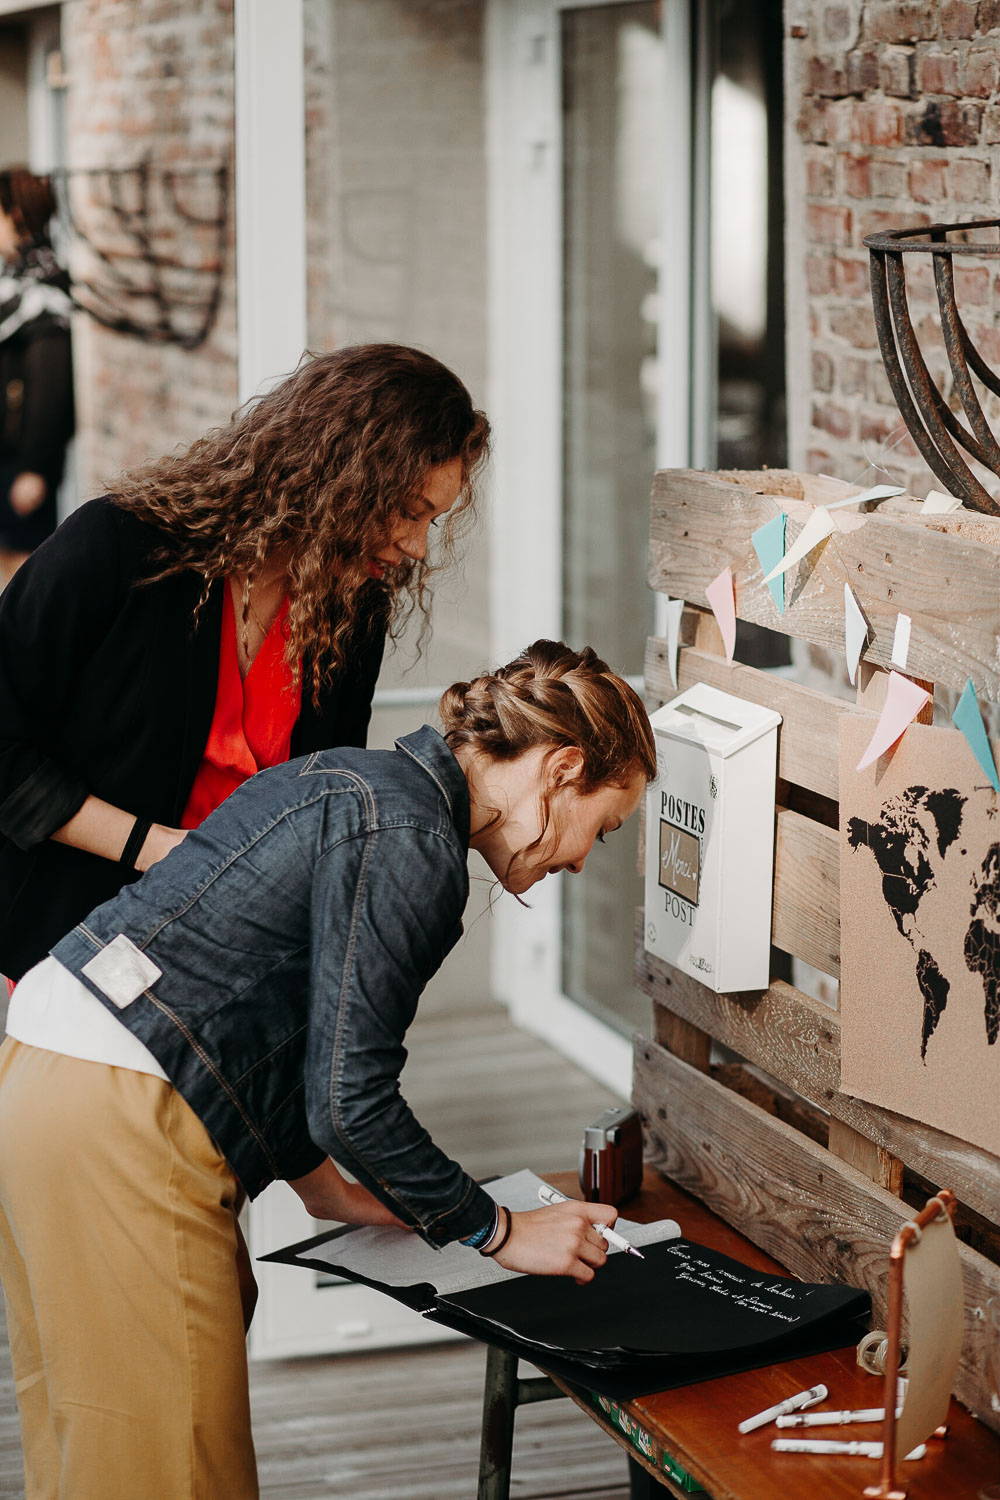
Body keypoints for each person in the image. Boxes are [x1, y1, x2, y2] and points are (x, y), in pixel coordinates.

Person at [0, 639, 656, 1500]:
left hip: (47, 1070)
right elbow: (352, 1099)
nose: (578, 862)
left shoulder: (347, 779)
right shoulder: (413, 840)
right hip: (126, 1106)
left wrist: (325, 1192)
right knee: (170, 1472)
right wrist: (495, 1227)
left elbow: (272, 1014)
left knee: (95, 1451)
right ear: (563, 767)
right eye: (601, 830)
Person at [0, 341, 490, 986]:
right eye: (407, 511)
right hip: (72, 951)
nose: (417, 546)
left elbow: (323, 795)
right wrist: (162, 851)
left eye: (433, 520)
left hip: (242, 966)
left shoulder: (353, 605)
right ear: (339, 473)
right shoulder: (116, 546)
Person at [0, 168, 74, 588]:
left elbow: (51, 386)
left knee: (25, 574)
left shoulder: (43, 287)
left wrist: (36, 467)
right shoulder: (11, 283)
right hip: (5, 457)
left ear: (16, 216)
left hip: (21, 461)